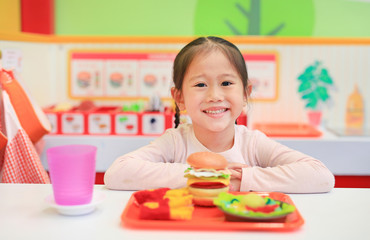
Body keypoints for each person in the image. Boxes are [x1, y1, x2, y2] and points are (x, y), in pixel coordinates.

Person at [104, 36, 335, 193]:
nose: (215, 95)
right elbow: (117, 173)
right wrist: (203, 176)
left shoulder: (253, 144)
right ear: (180, 97)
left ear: (245, 93)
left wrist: (244, 179)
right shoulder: (175, 142)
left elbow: (321, 176)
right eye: (200, 85)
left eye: (226, 82)